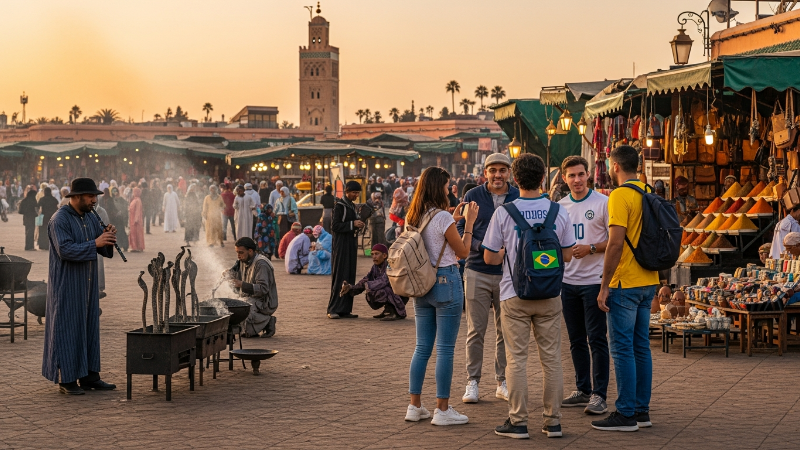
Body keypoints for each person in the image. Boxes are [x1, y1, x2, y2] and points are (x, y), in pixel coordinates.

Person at [482, 153, 574, 439]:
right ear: (544, 178)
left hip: (514, 294)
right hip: (550, 295)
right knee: (552, 359)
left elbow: (490, 258)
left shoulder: (504, 213)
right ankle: (553, 421)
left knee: (517, 359)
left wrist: (506, 252)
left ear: (514, 178)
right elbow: (569, 255)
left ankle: (518, 421)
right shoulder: (559, 211)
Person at [593, 145, 660, 432]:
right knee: (640, 347)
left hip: (625, 283)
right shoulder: (648, 192)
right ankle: (641, 411)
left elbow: (615, 243)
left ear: (615, 166)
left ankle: (625, 413)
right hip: (648, 280)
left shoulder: (620, 195)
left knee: (621, 349)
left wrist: (604, 284)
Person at [403, 167, 476, 426]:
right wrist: (469, 223)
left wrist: (453, 220)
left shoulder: (413, 215)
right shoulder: (443, 216)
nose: (449, 190)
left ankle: (414, 405)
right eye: (446, 187)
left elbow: (433, 241)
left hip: (421, 285)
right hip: (446, 281)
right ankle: (442, 409)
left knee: (422, 347)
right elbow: (463, 251)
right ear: (439, 188)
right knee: (445, 348)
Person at [43, 178, 117, 395]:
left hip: (87, 285)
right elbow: (65, 250)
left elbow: (102, 248)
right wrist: (95, 243)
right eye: (91, 196)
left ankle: (89, 376)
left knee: (89, 328)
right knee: (67, 330)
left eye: (95, 196)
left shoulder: (90, 218)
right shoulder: (60, 219)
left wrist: (108, 237)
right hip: (67, 285)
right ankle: (66, 380)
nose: (94, 200)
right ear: (76, 197)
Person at [457, 152, 520, 405]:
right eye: (492, 170)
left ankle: (501, 381)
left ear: (509, 173)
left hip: (508, 273)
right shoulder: (473, 196)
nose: (497, 175)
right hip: (477, 270)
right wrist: (485, 248)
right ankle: (472, 381)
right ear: (485, 173)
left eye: (502, 170)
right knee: (476, 330)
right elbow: (461, 228)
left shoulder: (518, 196)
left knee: (505, 330)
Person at [557, 156, 611, 415]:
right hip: (568, 282)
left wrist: (590, 248)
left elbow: (614, 242)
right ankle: (582, 388)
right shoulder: (560, 207)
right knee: (575, 339)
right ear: (564, 178)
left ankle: (599, 395)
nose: (576, 180)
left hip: (594, 282)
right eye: (571, 176)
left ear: (588, 175)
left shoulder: (603, 203)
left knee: (597, 339)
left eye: (580, 174)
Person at [327, 181, 366, 320]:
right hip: (341, 245)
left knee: (349, 275)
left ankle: (345, 309)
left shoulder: (352, 206)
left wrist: (359, 224)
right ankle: (333, 308)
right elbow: (335, 226)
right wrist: (352, 224)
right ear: (347, 192)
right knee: (340, 276)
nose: (356, 196)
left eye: (357, 193)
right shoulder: (339, 206)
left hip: (351, 244)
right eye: (354, 193)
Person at [341, 243, 407, 321]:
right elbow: (366, 279)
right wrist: (350, 287)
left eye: (376, 254)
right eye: (372, 254)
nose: (374, 257)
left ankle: (395, 312)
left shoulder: (390, 265)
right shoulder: (375, 267)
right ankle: (388, 310)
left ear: (384, 256)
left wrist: (367, 285)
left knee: (383, 289)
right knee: (371, 289)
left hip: (400, 293)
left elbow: (384, 281)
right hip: (390, 291)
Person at [227, 237, 278, 338]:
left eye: (241, 252)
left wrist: (241, 284)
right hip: (249, 297)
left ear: (250, 251)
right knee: (229, 306)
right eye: (237, 252)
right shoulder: (243, 259)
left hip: (264, 301)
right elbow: (235, 274)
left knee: (243, 315)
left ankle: (267, 321)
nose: (238, 255)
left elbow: (263, 289)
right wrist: (228, 275)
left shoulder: (261, 264)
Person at [37, 187, 59, 251]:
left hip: (44, 217)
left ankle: (42, 245)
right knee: (51, 231)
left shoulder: (42, 199)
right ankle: (51, 245)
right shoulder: (54, 199)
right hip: (52, 217)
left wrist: (38, 213)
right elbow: (56, 207)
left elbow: (37, 206)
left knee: (43, 231)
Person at [108, 187, 129, 252]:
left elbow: (125, 208)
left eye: (116, 192)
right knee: (117, 233)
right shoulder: (111, 200)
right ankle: (119, 245)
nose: (115, 193)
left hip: (120, 219)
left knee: (121, 232)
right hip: (114, 219)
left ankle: (125, 245)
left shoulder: (121, 199)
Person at [128, 187, 145, 252]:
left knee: (137, 234)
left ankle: (137, 247)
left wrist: (136, 219)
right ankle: (134, 247)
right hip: (132, 219)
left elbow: (138, 210)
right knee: (133, 233)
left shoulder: (138, 200)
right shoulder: (135, 199)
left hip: (135, 220)